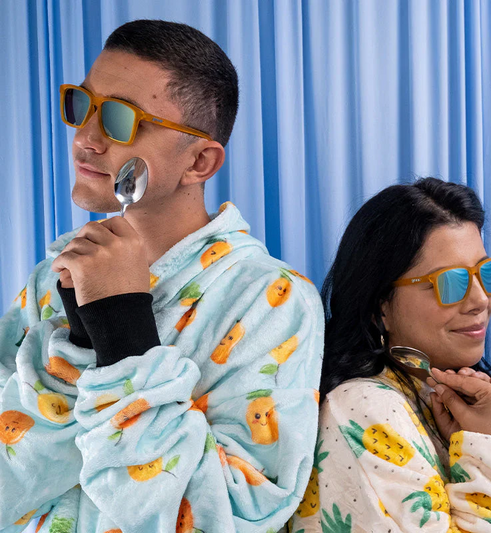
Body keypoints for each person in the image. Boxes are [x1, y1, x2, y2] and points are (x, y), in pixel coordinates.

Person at [0, 20, 323, 532]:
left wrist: (122, 334)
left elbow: (228, 518)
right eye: (83, 106)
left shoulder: (271, 300)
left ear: (199, 161)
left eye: (120, 120)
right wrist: (76, 346)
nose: (85, 139)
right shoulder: (52, 278)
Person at [291, 178, 491, 532]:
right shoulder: (363, 407)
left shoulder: (434, 398)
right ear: (381, 307)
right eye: (450, 282)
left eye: (487, 272)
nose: (481, 300)